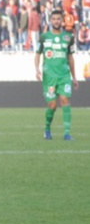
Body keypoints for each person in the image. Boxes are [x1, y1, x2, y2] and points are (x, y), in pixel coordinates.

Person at [35, 9, 78, 141]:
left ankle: (67, 133)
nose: (56, 21)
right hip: (49, 77)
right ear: (50, 20)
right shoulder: (44, 37)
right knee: (52, 105)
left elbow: (70, 57)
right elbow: (37, 54)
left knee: (65, 100)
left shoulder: (68, 37)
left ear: (62, 21)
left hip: (64, 75)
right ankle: (47, 129)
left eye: (59, 19)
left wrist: (74, 76)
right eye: (54, 19)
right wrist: (37, 69)